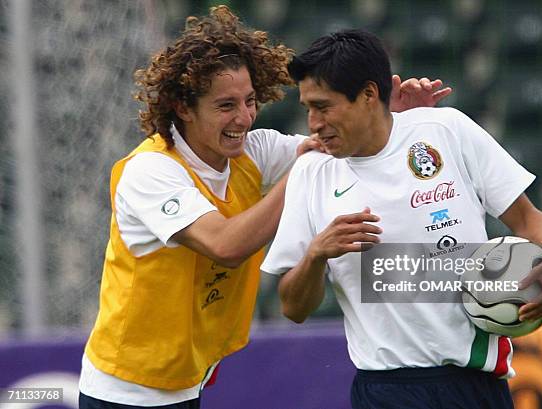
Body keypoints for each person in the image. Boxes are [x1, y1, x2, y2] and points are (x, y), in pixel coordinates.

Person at [78, 6, 451, 409]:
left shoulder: (251, 151)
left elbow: (335, 145)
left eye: (251, 100)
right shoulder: (151, 171)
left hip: (186, 380)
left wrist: (385, 116)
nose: (244, 118)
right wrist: (304, 170)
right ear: (183, 108)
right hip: (124, 390)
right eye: (226, 106)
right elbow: (226, 245)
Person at [261, 29, 542, 409]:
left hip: (473, 386)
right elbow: (293, 308)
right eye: (307, 108)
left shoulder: (445, 131)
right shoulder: (312, 173)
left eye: (324, 106)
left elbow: (528, 220)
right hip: (385, 391)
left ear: (367, 95)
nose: (313, 123)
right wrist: (316, 256)